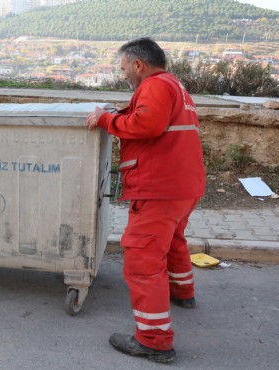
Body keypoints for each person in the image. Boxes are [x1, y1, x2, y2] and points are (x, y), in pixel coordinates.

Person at [86, 38, 206, 363]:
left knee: (142, 258)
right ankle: (182, 293)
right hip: (183, 186)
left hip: (159, 188)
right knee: (172, 240)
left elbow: (146, 124)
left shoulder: (154, 86)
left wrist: (104, 120)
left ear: (138, 65)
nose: (124, 73)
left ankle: (154, 340)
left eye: (124, 68)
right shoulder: (175, 86)